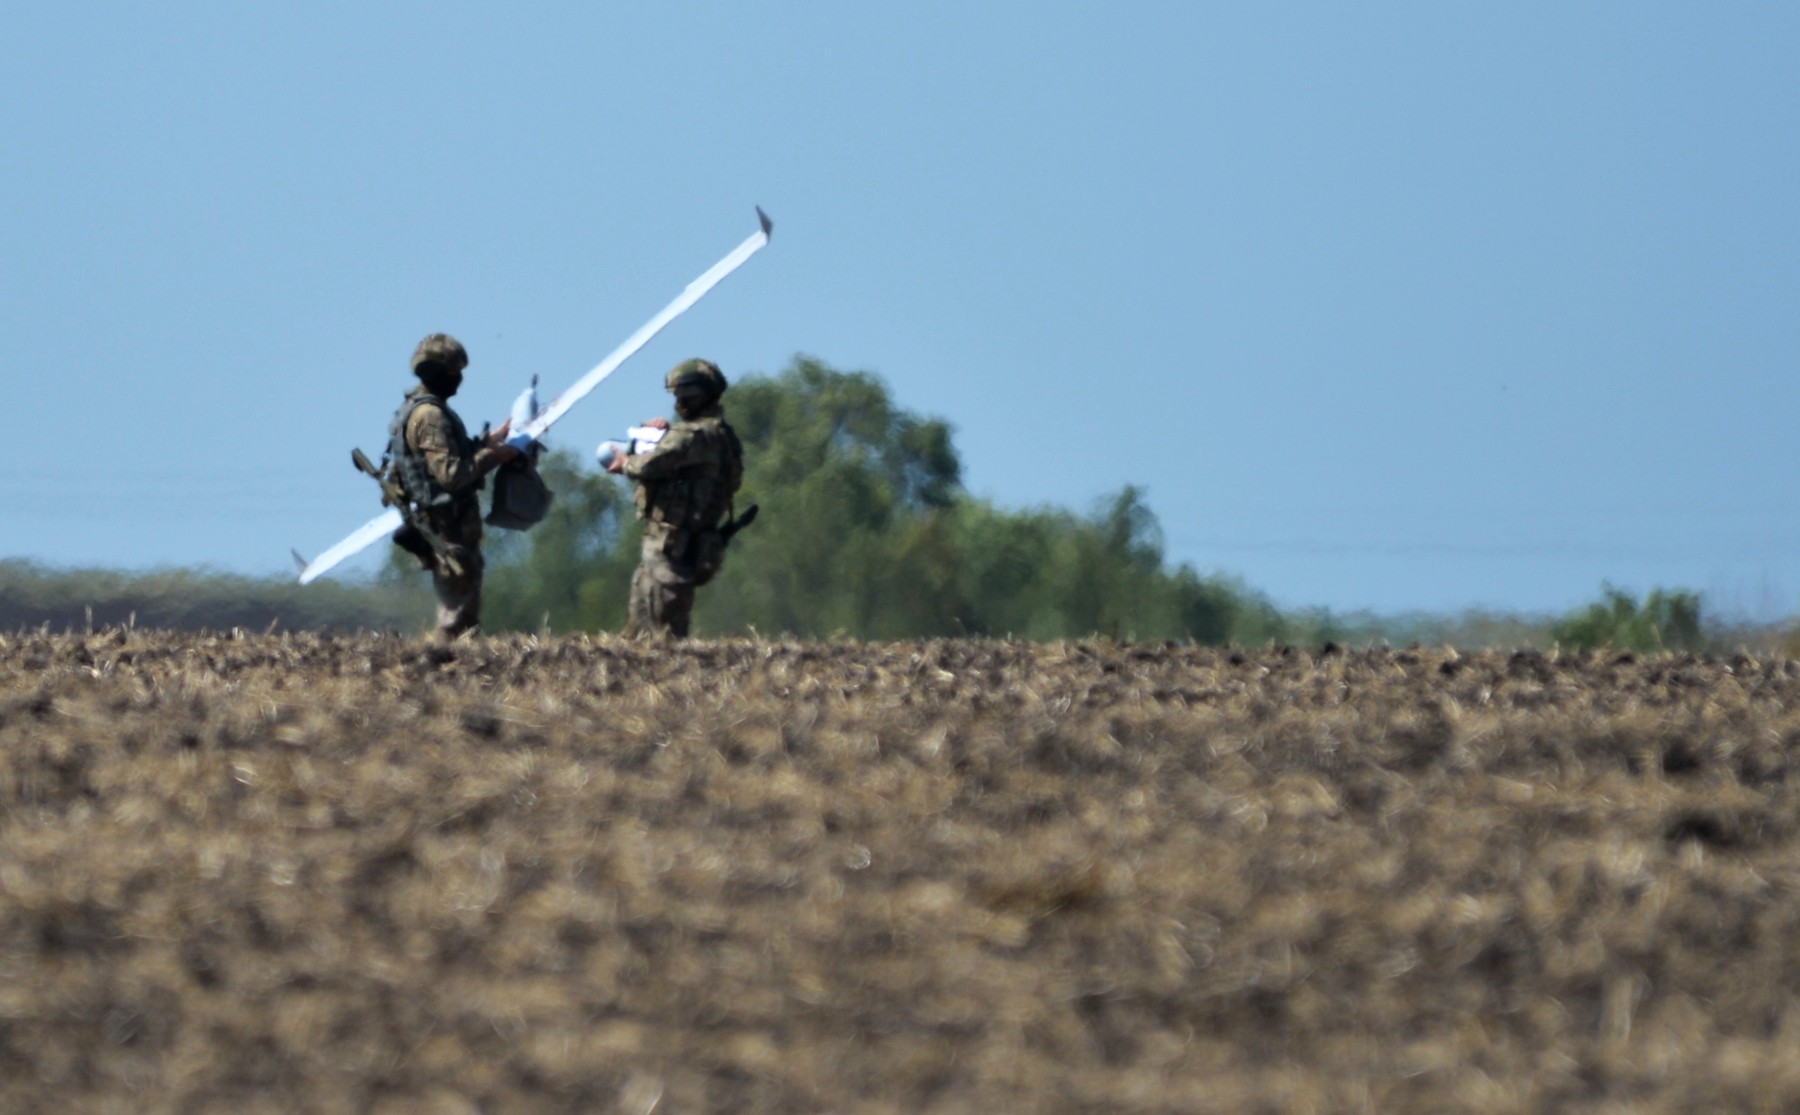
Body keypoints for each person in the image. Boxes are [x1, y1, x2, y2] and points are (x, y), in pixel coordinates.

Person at [387, 333, 521, 639]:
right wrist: (495, 456)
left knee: (463, 615)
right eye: (454, 372)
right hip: (449, 529)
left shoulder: (418, 409)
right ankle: (442, 673)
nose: (459, 379)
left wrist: (486, 442)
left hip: (449, 526)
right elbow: (451, 475)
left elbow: (444, 460)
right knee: (456, 621)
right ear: (439, 373)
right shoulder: (430, 415)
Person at [606, 358, 744, 638]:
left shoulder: (690, 435)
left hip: (668, 548)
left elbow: (649, 465)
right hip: (692, 545)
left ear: (694, 396)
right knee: (642, 634)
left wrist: (625, 461)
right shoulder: (724, 436)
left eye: (681, 395)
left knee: (659, 635)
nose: (677, 403)